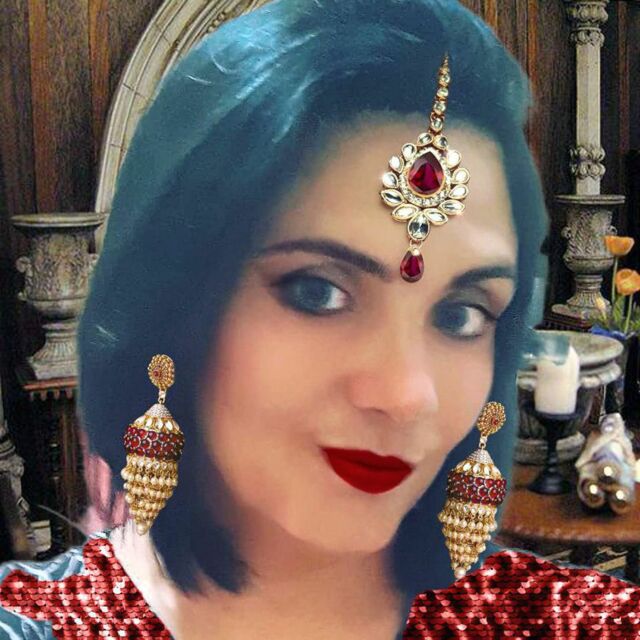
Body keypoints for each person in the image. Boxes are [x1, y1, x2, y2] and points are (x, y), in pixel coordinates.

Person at [1, 0, 638, 638]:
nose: (406, 395)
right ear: (174, 308)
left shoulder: (558, 619)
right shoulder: (38, 623)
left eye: (459, 315)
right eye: (317, 293)